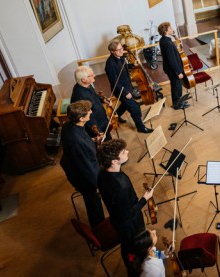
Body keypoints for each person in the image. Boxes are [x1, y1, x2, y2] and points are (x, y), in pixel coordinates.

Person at [98, 139, 153, 276]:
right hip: (129, 226)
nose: (127, 151)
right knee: (134, 249)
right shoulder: (120, 187)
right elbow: (127, 215)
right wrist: (144, 199)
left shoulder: (102, 173)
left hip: (116, 218)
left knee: (127, 245)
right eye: (123, 152)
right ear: (114, 161)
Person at [59, 100, 105, 228]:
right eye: (88, 111)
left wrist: (94, 140)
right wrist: (98, 185)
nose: (91, 112)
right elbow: (87, 167)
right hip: (83, 177)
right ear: (81, 118)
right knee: (93, 204)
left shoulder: (69, 125)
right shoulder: (76, 142)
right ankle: (100, 228)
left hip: (80, 165)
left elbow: (84, 142)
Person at [104, 40, 152, 133]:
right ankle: (141, 128)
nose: (121, 51)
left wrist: (133, 65)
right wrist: (125, 93)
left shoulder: (121, 57)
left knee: (125, 105)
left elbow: (125, 67)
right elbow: (114, 82)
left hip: (127, 87)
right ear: (112, 52)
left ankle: (116, 115)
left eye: (121, 48)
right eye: (118, 50)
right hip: (121, 91)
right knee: (135, 108)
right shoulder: (110, 64)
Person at [71, 65, 113, 139]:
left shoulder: (87, 85)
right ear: (84, 80)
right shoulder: (80, 95)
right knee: (106, 143)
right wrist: (98, 131)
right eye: (91, 75)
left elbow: (95, 96)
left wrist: (103, 100)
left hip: (101, 120)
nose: (94, 75)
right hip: (96, 125)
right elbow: (87, 117)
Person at [158, 22, 188, 111]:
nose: (172, 29)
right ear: (166, 31)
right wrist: (178, 72)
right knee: (176, 86)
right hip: (173, 69)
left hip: (170, 68)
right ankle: (177, 104)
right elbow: (171, 59)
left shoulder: (164, 40)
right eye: (170, 28)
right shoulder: (167, 43)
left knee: (176, 85)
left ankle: (179, 101)